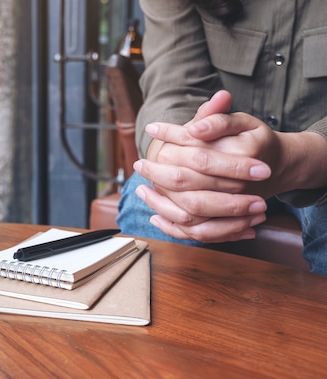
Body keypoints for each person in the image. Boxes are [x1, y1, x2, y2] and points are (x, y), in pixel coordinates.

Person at [117, 0, 327, 275]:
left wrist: (291, 158)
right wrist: (175, 154)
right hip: (219, 157)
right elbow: (172, 85)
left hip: (319, 164)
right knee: (147, 203)